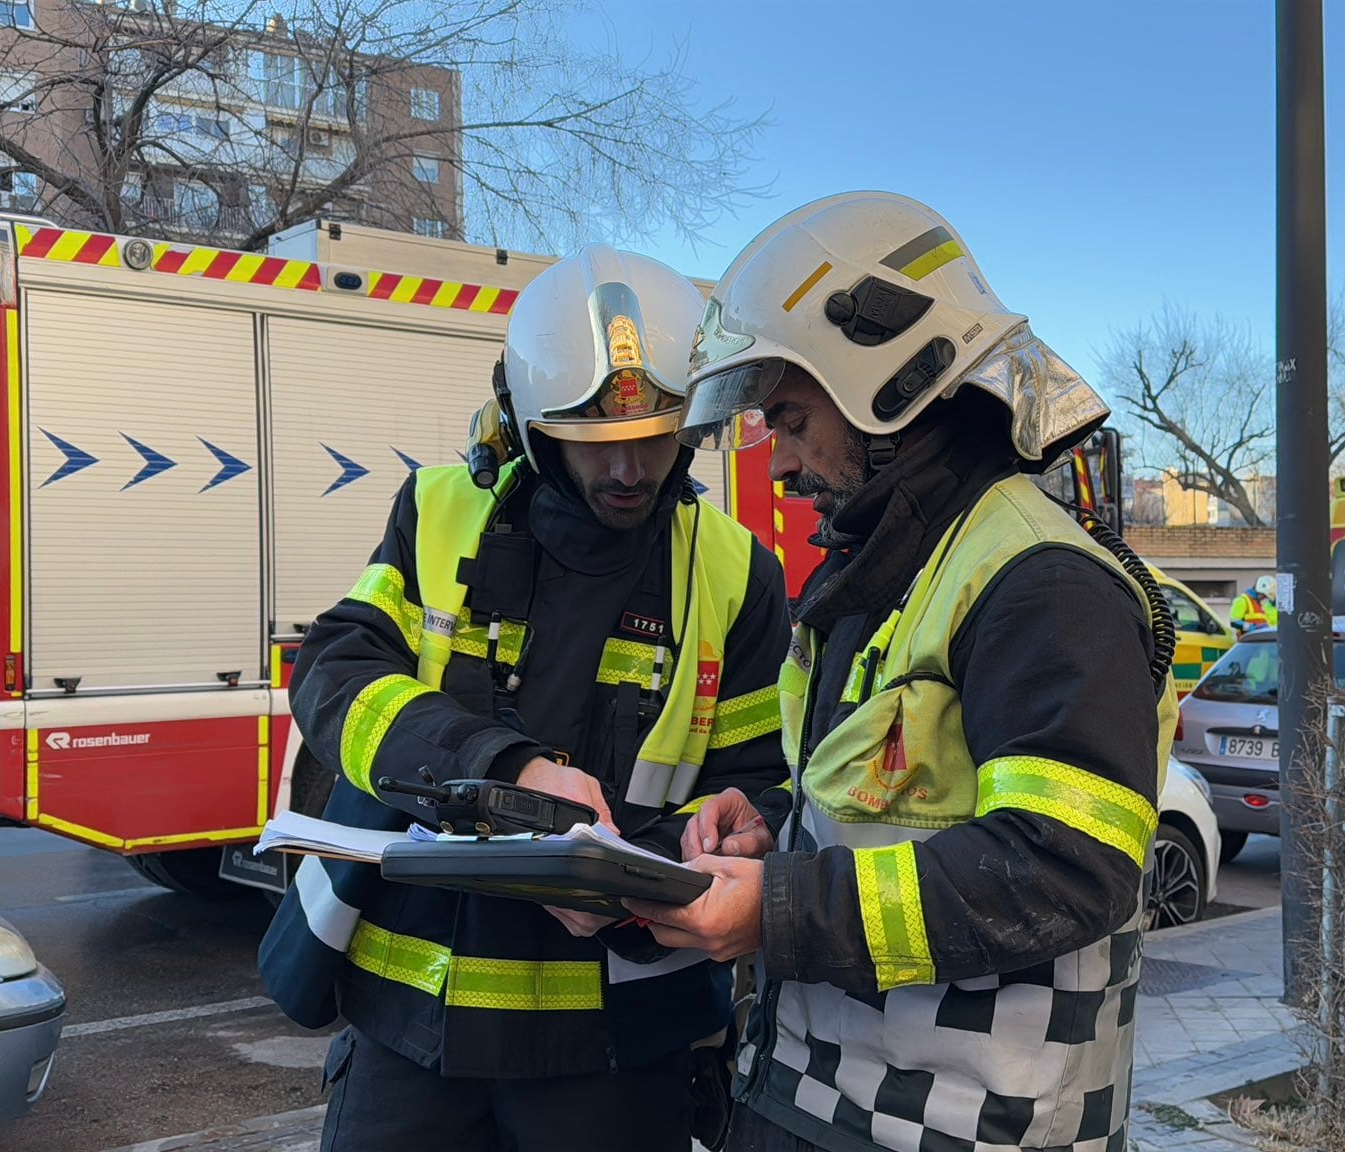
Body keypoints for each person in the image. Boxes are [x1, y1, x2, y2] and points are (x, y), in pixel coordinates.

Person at [627, 192, 1179, 1152]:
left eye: (792, 419)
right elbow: (890, 820)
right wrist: (774, 828)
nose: (781, 462)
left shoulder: (1041, 585)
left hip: (964, 1130)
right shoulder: (891, 570)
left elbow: (1062, 867)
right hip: (821, 1100)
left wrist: (784, 909)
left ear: (889, 381)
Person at [258, 246, 790, 1151]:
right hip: (407, 1037)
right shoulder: (434, 512)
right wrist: (506, 768)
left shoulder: (738, 574)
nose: (629, 473)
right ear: (534, 427)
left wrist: (634, 883)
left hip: (616, 1051)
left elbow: (759, 784)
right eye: (598, 445)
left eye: (654, 440)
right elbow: (336, 673)